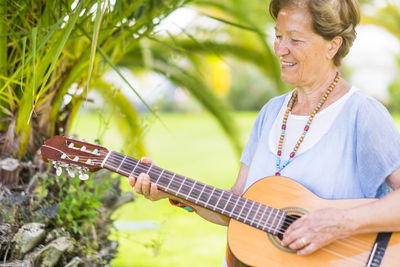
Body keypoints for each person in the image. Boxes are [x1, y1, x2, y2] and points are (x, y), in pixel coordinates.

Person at [128, 0, 400, 261]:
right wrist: (174, 192)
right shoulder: (271, 112)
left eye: (295, 39)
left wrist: (339, 222)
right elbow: (236, 207)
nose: (280, 49)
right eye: (278, 36)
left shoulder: (362, 114)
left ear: (333, 45)